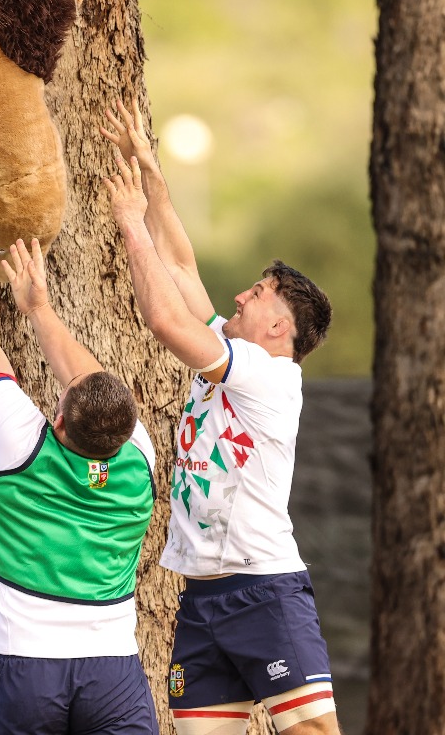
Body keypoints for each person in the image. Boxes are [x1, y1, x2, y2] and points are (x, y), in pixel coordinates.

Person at [101, 100, 341, 735]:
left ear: (279, 328)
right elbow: (180, 267)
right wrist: (152, 175)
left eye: (256, 293)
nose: (241, 295)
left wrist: (130, 222)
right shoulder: (236, 356)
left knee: (315, 731)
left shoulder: (267, 375)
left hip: (264, 591)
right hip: (203, 598)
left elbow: (165, 321)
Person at [0, 174, 160, 735]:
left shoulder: (18, 445)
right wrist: (41, 311)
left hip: (28, 669)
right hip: (113, 672)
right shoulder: (138, 460)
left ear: (57, 418)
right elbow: (89, 382)